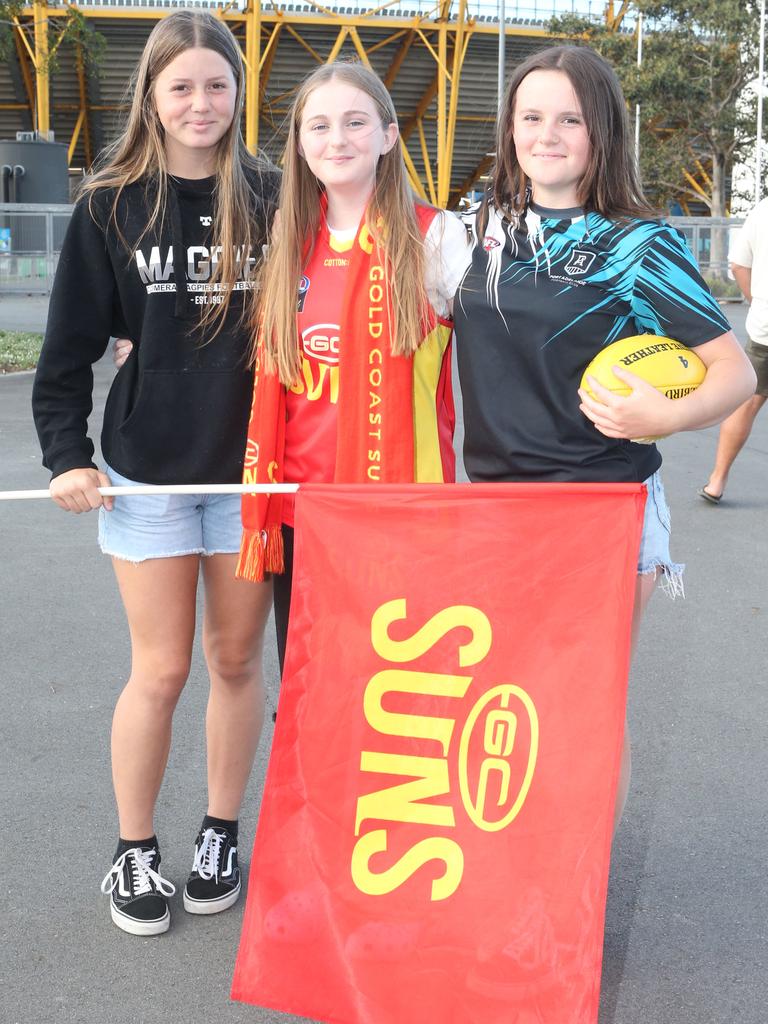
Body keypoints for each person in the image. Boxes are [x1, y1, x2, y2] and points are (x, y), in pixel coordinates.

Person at [452, 45, 756, 828]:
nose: (546, 134)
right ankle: (515, 874)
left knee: (581, 704)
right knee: (502, 699)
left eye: (568, 119)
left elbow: (733, 375)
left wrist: (664, 416)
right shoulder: (475, 231)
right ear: (509, 128)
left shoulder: (637, 242)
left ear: (601, 133)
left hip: (601, 507)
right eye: (531, 117)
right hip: (494, 509)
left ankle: (574, 899)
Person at [31, 10, 279, 936]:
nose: (201, 102)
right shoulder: (110, 204)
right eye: (182, 86)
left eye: (217, 85)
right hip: (147, 476)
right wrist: (68, 456)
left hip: (255, 477)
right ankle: (134, 851)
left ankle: (220, 830)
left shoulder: (272, 192)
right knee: (164, 669)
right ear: (154, 95)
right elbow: (65, 354)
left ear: (237, 93)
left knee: (235, 659)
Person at [234, 61, 471, 672]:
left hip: (399, 515)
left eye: (355, 122)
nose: (336, 140)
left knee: (387, 704)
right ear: (300, 143)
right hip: (298, 514)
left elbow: (504, 361)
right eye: (318, 126)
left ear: (389, 135)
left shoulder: (435, 237)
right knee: (308, 691)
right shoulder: (288, 234)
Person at [699, 199, 768, 503]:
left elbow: (738, 265)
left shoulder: (764, 208)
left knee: (747, 403)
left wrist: (757, 301)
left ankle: (717, 480)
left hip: (765, 328)